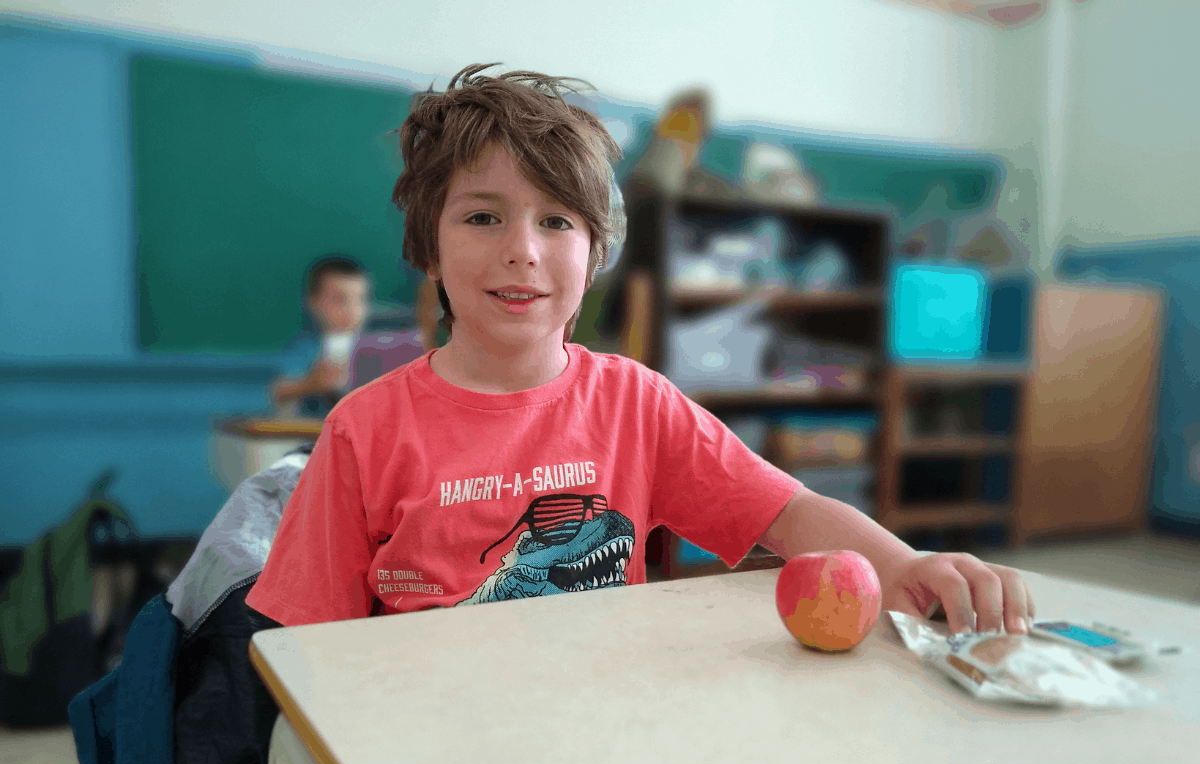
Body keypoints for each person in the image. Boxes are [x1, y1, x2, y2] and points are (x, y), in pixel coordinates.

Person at [246, 63, 1035, 640]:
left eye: (557, 222)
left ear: (596, 256)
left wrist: (903, 565)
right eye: (482, 218)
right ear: (427, 247)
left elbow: (788, 512)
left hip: (600, 727)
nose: (523, 250)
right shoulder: (363, 428)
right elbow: (306, 649)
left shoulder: (635, 402)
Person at [270, 257, 370, 418]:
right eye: (339, 300)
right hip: (313, 427)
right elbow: (278, 391)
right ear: (313, 302)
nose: (352, 310)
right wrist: (311, 383)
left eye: (360, 300)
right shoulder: (307, 345)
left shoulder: (374, 346)